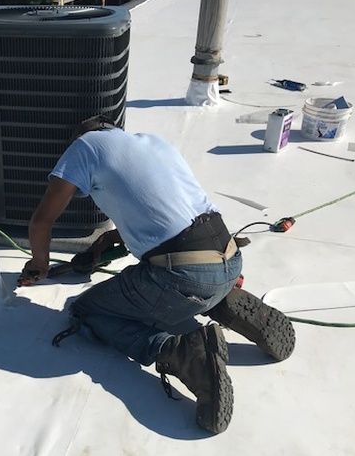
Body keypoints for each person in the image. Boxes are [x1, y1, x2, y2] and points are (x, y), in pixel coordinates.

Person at [18, 116, 294, 434]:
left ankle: (182, 353)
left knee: (88, 310)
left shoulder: (84, 146)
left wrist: (39, 264)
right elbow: (164, 210)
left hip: (182, 275)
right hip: (228, 256)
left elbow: (42, 221)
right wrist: (110, 239)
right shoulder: (153, 142)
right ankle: (224, 299)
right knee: (195, 280)